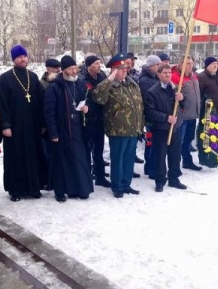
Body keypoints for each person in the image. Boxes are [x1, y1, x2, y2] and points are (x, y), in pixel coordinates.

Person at [0, 45, 47, 201]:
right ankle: (15, 190)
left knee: (33, 156)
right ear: (14, 60)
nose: (23, 59)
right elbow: (1, 104)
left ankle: (34, 187)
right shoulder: (5, 79)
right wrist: (5, 125)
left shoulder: (32, 77)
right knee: (15, 158)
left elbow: (40, 101)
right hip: (14, 127)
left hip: (32, 126)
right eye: (19, 57)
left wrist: (43, 123)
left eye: (24, 56)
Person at [93, 53, 144, 198]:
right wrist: (110, 78)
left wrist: (141, 125)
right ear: (114, 70)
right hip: (118, 129)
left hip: (133, 128)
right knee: (118, 159)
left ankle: (126, 184)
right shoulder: (109, 85)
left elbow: (139, 106)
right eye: (121, 69)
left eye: (125, 68)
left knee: (128, 159)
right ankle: (117, 185)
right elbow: (97, 96)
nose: (125, 70)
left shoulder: (131, 84)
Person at [44, 55, 94, 202]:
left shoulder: (79, 84)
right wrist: (53, 133)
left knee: (79, 160)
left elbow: (88, 101)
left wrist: (87, 108)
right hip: (62, 130)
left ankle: (80, 189)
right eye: (71, 69)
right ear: (64, 70)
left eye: (75, 68)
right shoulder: (55, 87)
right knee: (62, 162)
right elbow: (49, 112)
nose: (74, 71)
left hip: (78, 130)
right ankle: (60, 191)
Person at [143, 64, 187, 192]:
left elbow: (185, 104)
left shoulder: (175, 88)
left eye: (169, 72)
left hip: (175, 128)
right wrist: (166, 118)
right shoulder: (152, 91)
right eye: (164, 73)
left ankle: (174, 179)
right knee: (160, 156)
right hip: (161, 130)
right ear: (158, 75)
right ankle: (160, 181)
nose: (168, 75)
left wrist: (182, 98)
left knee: (175, 156)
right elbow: (150, 111)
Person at [81, 54, 110, 187]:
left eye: (99, 63)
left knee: (99, 150)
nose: (99, 66)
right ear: (89, 66)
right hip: (88, 120)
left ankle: (100, 176)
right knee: (87, 150)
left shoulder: (102, 76)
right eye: (96, 64)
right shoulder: (83, 80)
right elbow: (85, 99)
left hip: (100, 119)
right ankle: (86, 176)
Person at [171, 55, 202, 171]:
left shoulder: (194, 76)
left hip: (193, 114)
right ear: (180, 65)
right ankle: (175, 166)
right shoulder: (175, 77)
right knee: (180, 141)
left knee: (189, 139)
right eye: (187, 63)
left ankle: (187, 161)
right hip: (182, 115)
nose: (190, 66)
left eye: (191, 63)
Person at [197, 56, 218, 168]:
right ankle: (205, 158)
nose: (215, 66)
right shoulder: (201, 77)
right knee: (205, 136)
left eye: (216, 63)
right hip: (207, 113)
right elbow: (199, 96)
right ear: (207, 66)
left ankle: (216, 157)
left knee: (217, 135)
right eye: (212, 64)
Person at [138, 55, 161, 178]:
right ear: (152, 66)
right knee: (150, 143)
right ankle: (150, 168)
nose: (159, 66)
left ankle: (153, 167)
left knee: (155, 143)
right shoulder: (145, 80)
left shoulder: (155, 77)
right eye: (158, 65)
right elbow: (149, 99)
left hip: (156, 116)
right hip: (150, 117)